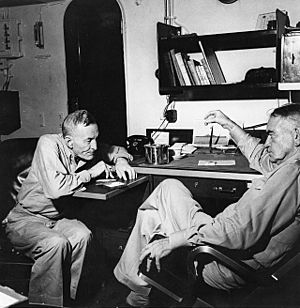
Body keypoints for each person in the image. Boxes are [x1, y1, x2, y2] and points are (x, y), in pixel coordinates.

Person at [114, 104, 300, 307]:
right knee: (166, 193)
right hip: (226, 242)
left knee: (159, 204)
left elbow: (237, 233)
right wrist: (228, 124)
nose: (266, 142)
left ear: (297, 135)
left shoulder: (291, 174)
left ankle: (136, 289)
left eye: (272, 135)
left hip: (226, 261)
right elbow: (259, 155)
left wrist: (172, 241)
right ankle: (139, 289)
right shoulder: (287, 164)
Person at [4, 109, 136, 307]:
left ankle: (69, 300)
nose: (95, 146)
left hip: (57, 220)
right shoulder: (48, 144)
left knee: (83, 235)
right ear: (68, 141)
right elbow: (56, 188)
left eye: (96, 139)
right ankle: (46, 304)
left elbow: (116, 150)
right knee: (55, 244)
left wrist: (121, 162)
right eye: (89, 141)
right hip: (26, 219)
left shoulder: (85, 146)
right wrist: (91, 173)